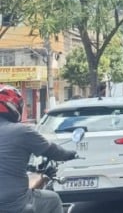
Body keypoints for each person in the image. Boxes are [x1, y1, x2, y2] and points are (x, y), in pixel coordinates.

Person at [0, 84, 78, 213]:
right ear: (13, 106)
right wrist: (71, 154)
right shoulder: (22, 131)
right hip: (14, 203)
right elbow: (53, 151)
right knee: (53, 199)